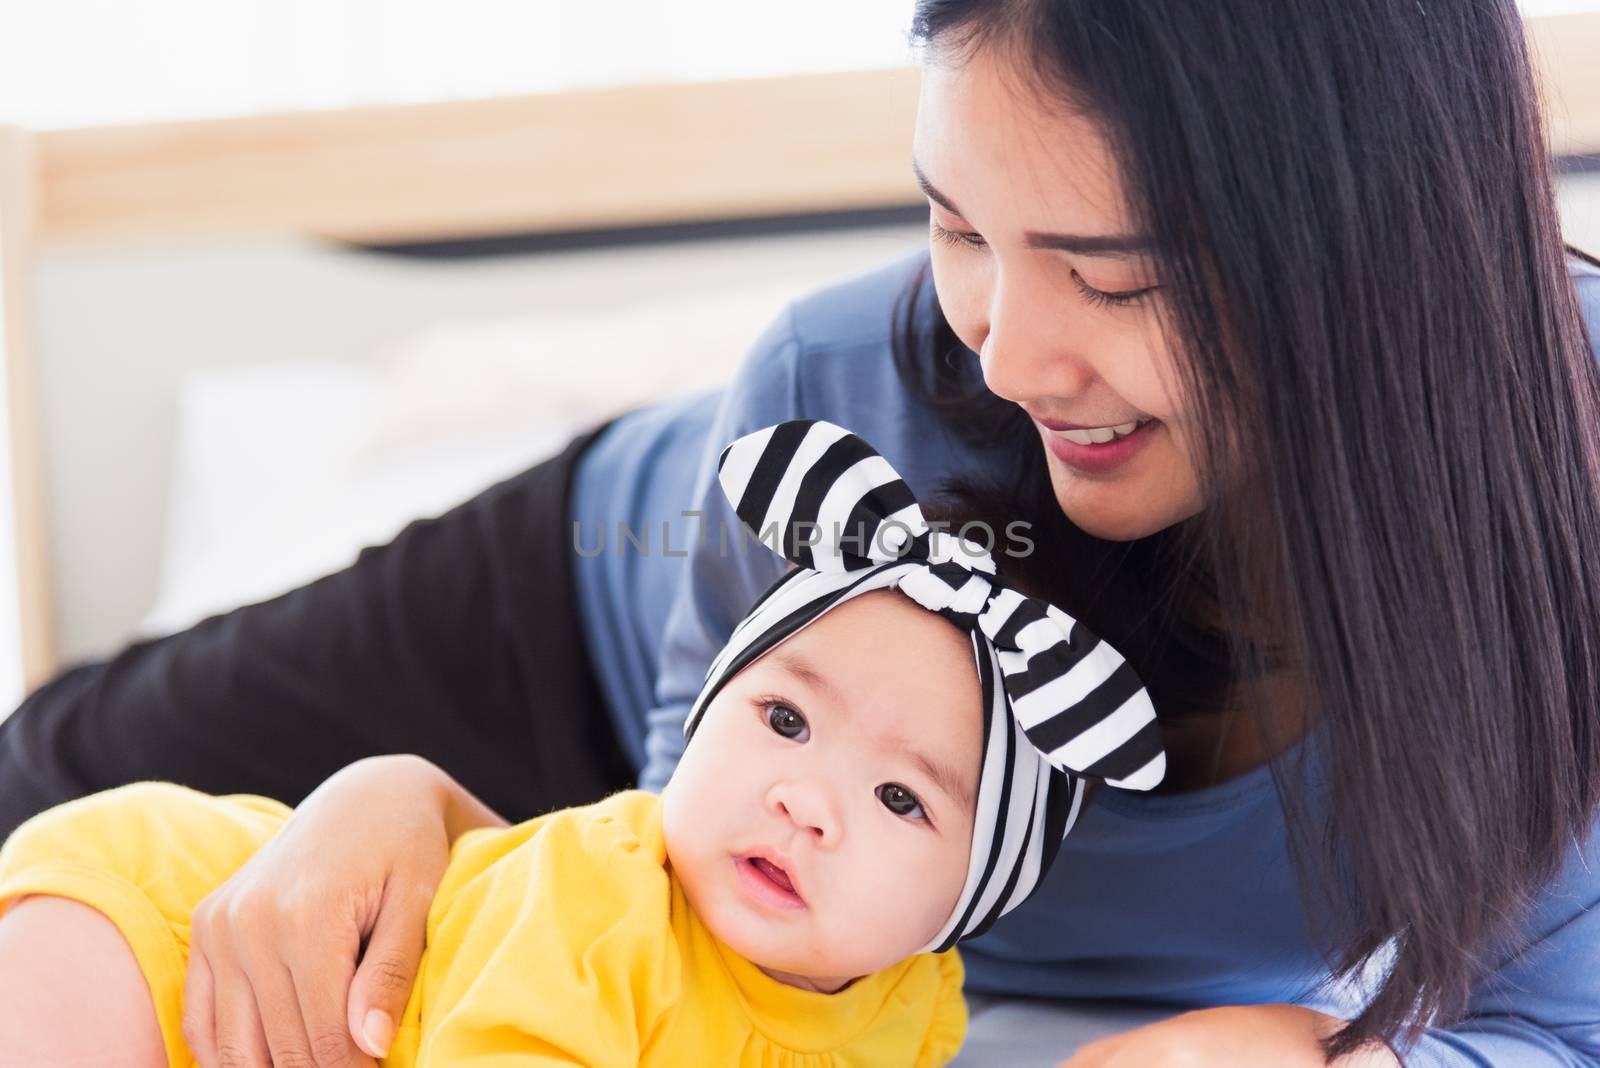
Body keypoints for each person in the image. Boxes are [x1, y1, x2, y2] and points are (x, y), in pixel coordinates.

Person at [2, 1, 1599, 1065]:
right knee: (35, 796)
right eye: (957, 228)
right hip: (609, 636)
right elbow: (683, 901)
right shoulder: (840, 389)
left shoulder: (1562, 503)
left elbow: (1554, 1023)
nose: (1004, 353)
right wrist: (409, 798)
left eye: (1115, 278)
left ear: (1372, 252)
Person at [0, 421, 1165, 1067]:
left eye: (903, 800)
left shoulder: (918, 1013)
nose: (807, 801)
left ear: (967, 904)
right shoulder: (604, 900)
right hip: (169, 923)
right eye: (785, 720)